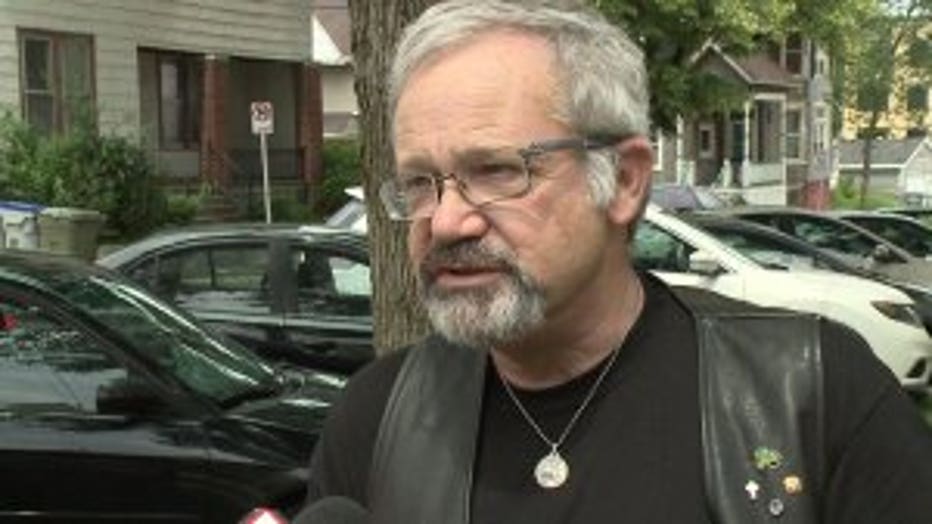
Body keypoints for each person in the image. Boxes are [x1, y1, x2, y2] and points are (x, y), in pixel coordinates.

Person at [307, 1, 932, 522]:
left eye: (496, 170)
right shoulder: (376, 420)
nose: (445, 221)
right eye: (419, 183)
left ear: (626, 180)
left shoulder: (811, 397)